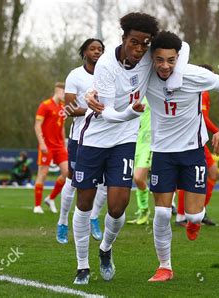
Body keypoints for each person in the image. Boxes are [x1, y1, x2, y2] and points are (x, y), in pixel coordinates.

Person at [71, 12, 189, 285]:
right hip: (95, 139)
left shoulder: (149, 56)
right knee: (85, 203)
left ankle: (105, 249)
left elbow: (183, 48)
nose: (139, 49)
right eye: (134, 42)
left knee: (117, 205)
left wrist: (159, 44)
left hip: (124, 141)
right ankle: (81, 266)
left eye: (145, 43)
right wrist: (131, 113)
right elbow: (108, 113)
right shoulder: (105, 66)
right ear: (123, 39)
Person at [145, 31, 219, 282]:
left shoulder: (195, 75)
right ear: (151, 58)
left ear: (179, 59)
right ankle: (164, 266)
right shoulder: (145, 75)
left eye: (171, 60)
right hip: (162, 152)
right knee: (163, 213)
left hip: (192, 151)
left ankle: (196, 220)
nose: (165, 66)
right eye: (159, 60)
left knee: (194, 214)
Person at [56, 38, 107, 244]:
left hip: (106, 137)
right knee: (73, 181)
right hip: (80, 138)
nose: (97, 52)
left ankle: (94, 218)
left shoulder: (110, 75)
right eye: (93, 49)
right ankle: (62, 222)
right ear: (84, 52)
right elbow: (67, 110)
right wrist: (92, 109)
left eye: (100, 49)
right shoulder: (75, 75)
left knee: (105, 183)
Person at [176, 64, 219, 226]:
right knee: (192, 177)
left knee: (211, 174)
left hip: (196, 139)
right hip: (192, 140)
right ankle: (183, 215)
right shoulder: (201, 91)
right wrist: (218, 131)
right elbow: (203, 117)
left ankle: (198, 210)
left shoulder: (201, 91)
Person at [33, 82, 69, 214]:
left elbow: (62, 127)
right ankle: (37, 205)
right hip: (46, 146)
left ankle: (51, 198)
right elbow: (37, 125)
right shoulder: (45, 105)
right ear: (58, 91)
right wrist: (41, 143)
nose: (65, 95)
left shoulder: (63, 107)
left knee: (68, 173)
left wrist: (64, 145)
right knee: (42, 174)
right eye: (64, 92)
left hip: (59, 146)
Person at [128, 96, 152, 225]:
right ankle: (142, 210)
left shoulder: (152, 94)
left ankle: (144, 210)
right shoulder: (133, 95)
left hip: (148, 142)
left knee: (138, 178)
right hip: (133, 141)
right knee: (136, 179)